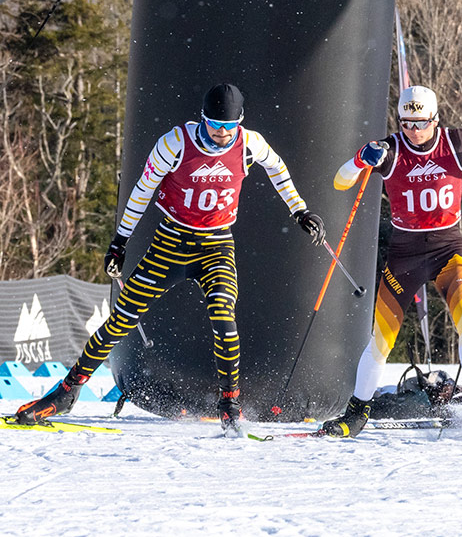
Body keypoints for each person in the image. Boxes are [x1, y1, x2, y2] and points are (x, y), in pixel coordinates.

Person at [15, 84, 315, 431]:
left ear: (239, 124)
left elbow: (278, 169)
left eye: (228, 127)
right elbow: (142, 191)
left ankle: (230, 403)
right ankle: (67, 392)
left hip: (217, 245)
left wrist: (300, 211)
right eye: (214, 125)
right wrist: (120, 242)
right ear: (202, 119)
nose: (221, 133)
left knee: (223, 312)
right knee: (121, 318)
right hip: (170, 243)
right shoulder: (175, 143)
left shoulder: (249, 142)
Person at [318, 85, 462, 436]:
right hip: (405, 255)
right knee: (380, 341)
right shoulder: (389, 150)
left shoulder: (456, 141)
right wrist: (359, 160)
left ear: (435, 118)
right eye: (407, 123)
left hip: (448, 249)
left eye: (421, 123)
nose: (413, 131)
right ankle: (356, 413)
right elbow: (340, 182)